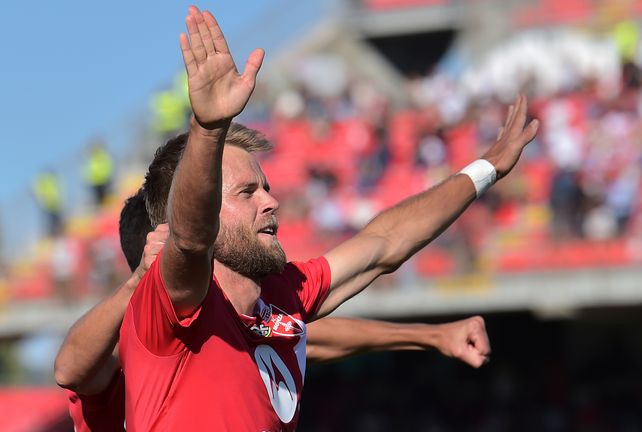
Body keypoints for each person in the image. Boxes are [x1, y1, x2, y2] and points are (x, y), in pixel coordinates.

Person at [126, 6, 536, 430]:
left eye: (265, 187)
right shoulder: (172, 304)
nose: (270, 202)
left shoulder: (280, 297)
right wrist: (208, 129)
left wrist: (486, 169)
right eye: (247, 192)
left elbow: (384, 245)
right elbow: (190, 242)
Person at [55, 197, 491, 432]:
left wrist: (430, 336)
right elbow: (71, 368)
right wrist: (137, 283)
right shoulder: (132, 339)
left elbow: (303, 336)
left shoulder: (227, 317)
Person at [32, 170, 63, 237]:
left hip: (52, 203)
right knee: (52, 219)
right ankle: (54, 232)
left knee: (53, 219)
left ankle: (55, 231)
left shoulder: (46, 182)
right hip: (51, 203)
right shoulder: (46, 182)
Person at [84, 142, 115, 210]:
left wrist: (107, 176)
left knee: (106, 197)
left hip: (104, 180)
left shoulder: (102, 156)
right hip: (96, 182)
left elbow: (108, 166)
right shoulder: (92, 158)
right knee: (99, 200)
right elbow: (89, 171)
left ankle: (109, 210)